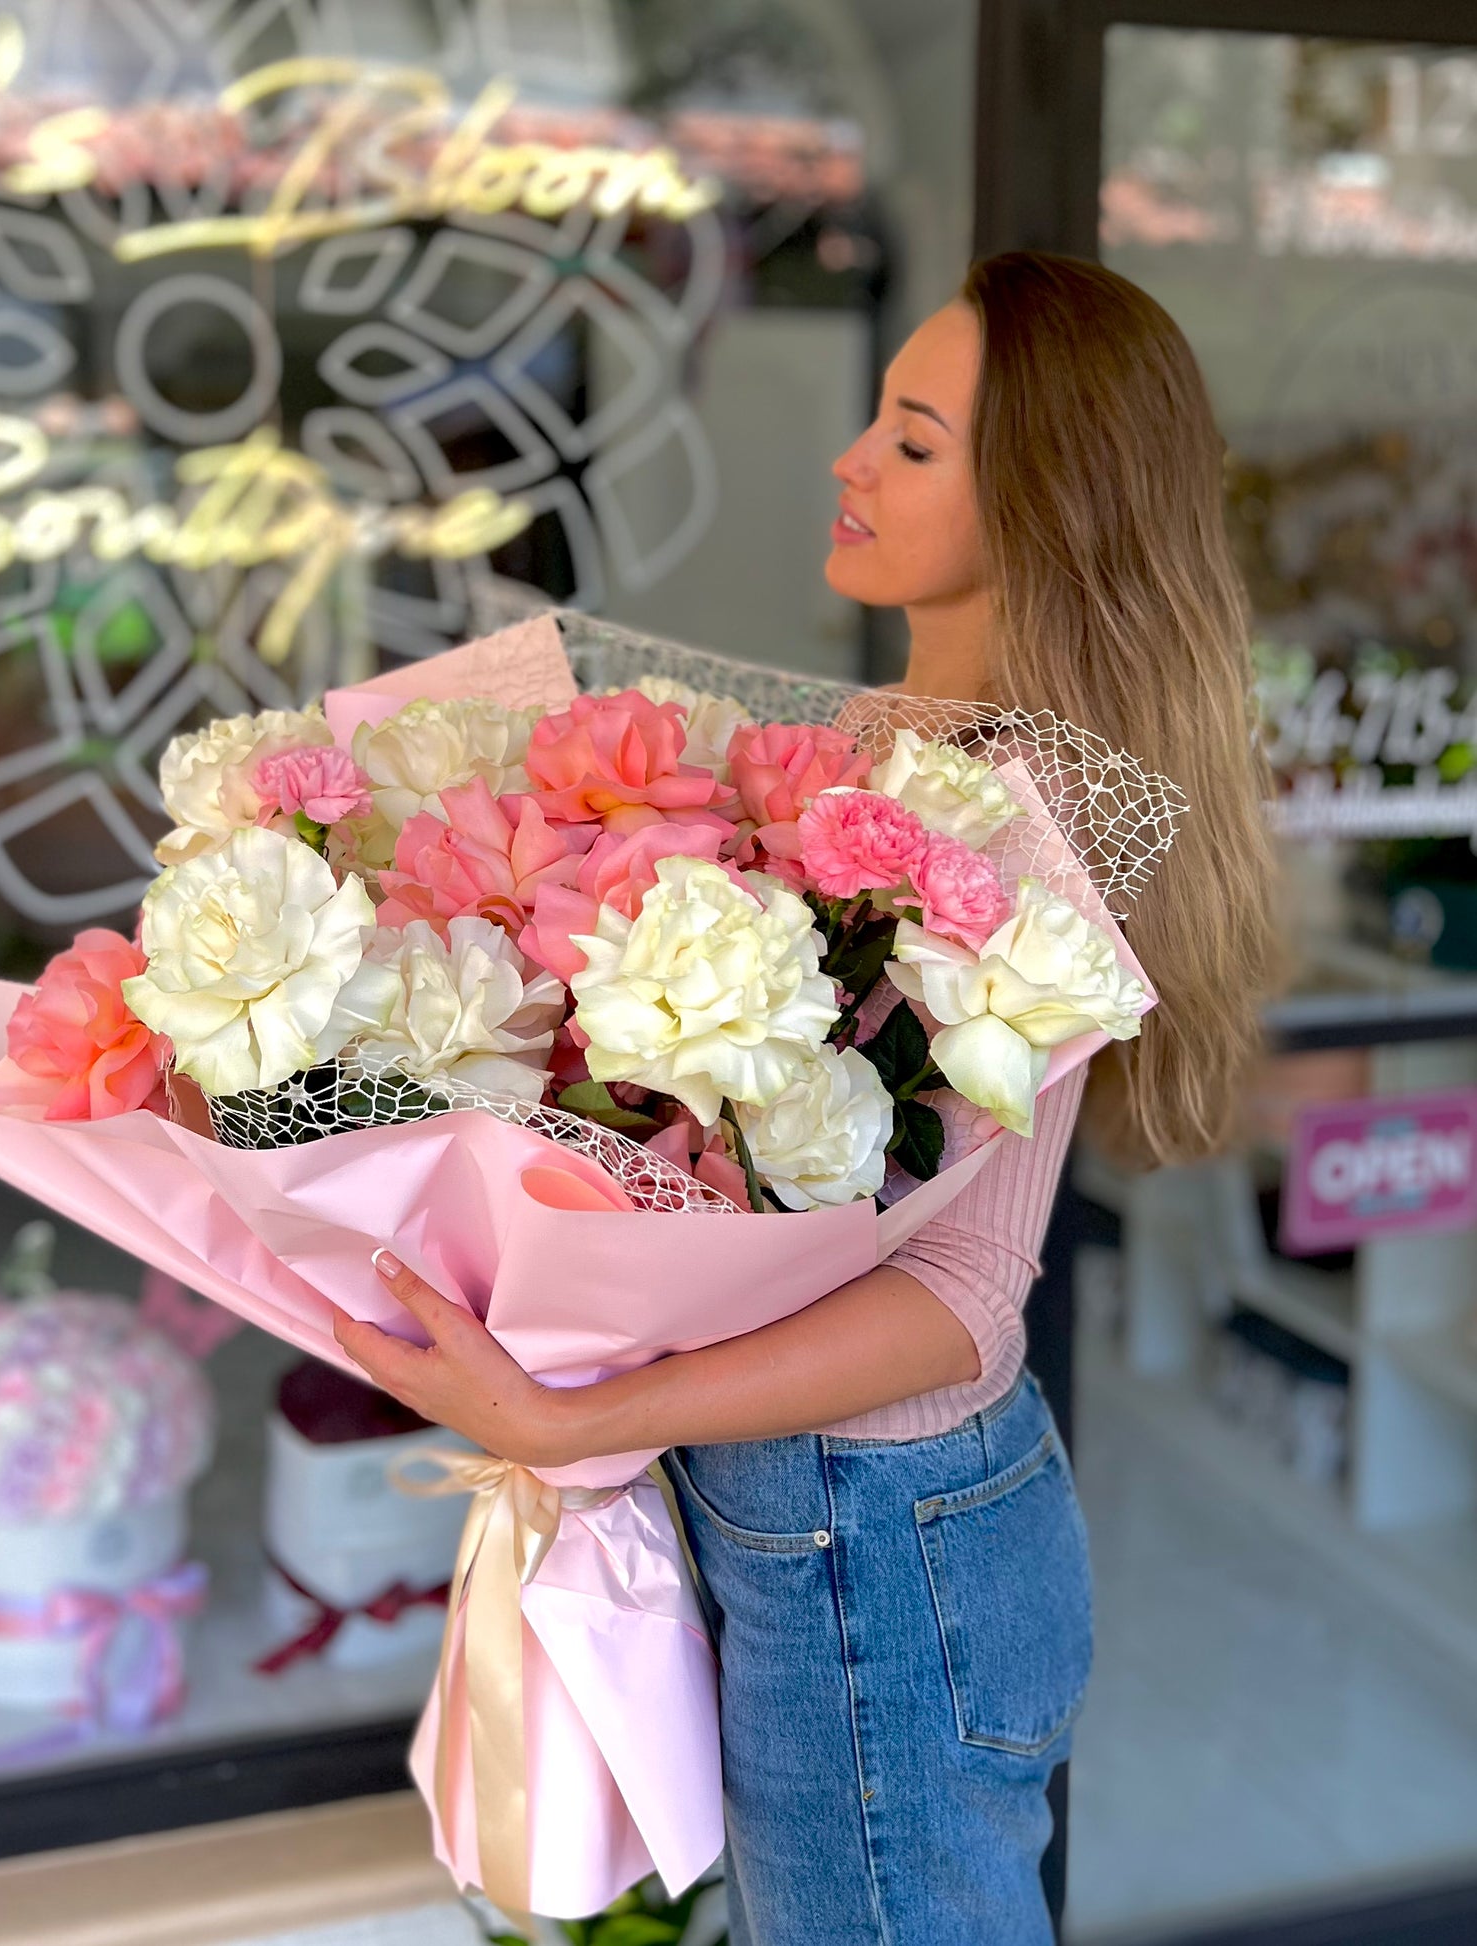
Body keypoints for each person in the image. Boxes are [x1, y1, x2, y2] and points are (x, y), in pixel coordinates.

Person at [332, 250, 1276, 1945]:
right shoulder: (876, 744)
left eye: (912, 441)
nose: (850, 459)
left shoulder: (1017, 801)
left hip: (875, 1539)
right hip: (828, 1519)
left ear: (1044, 497)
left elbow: (961, 1303)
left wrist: (569, 1417)